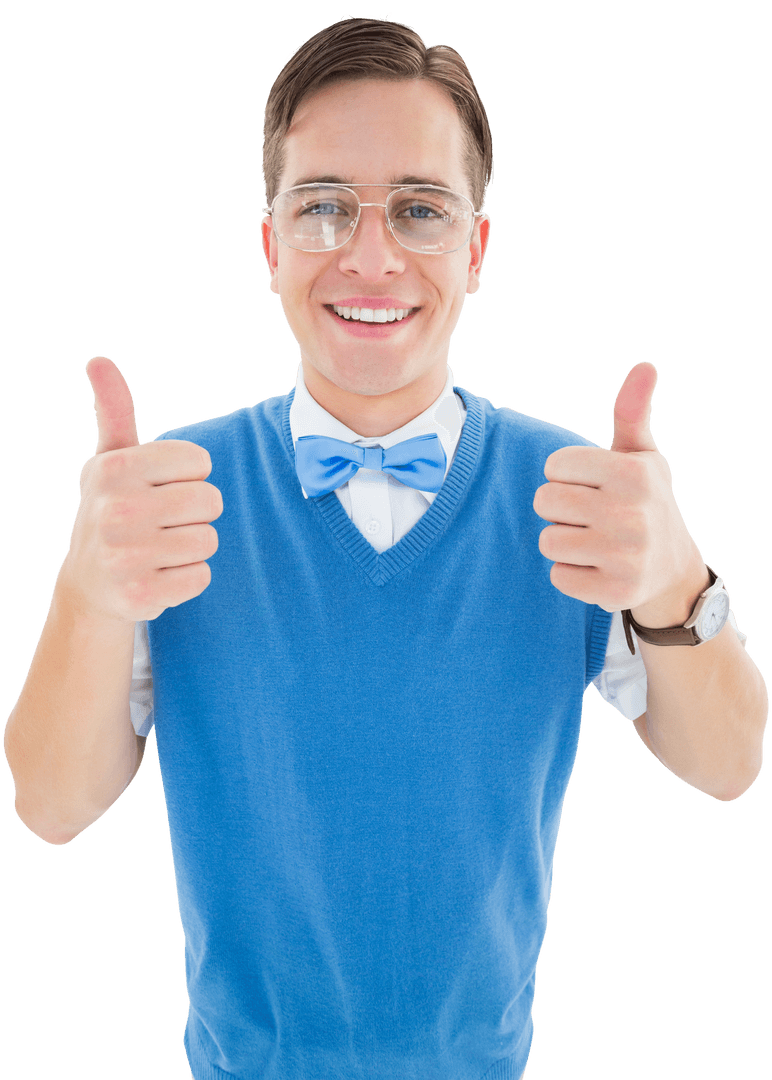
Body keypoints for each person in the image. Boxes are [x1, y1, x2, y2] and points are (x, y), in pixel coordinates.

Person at [3, 15, 767, 1080]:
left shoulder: (578, 495)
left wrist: (676, 575)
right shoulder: (168, 496)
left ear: (475, 249)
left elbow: (729, 766)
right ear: (270, 244)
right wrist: (87, 585)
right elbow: (49, 805)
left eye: (418, 208)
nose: (371, 256)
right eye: (322, 208)